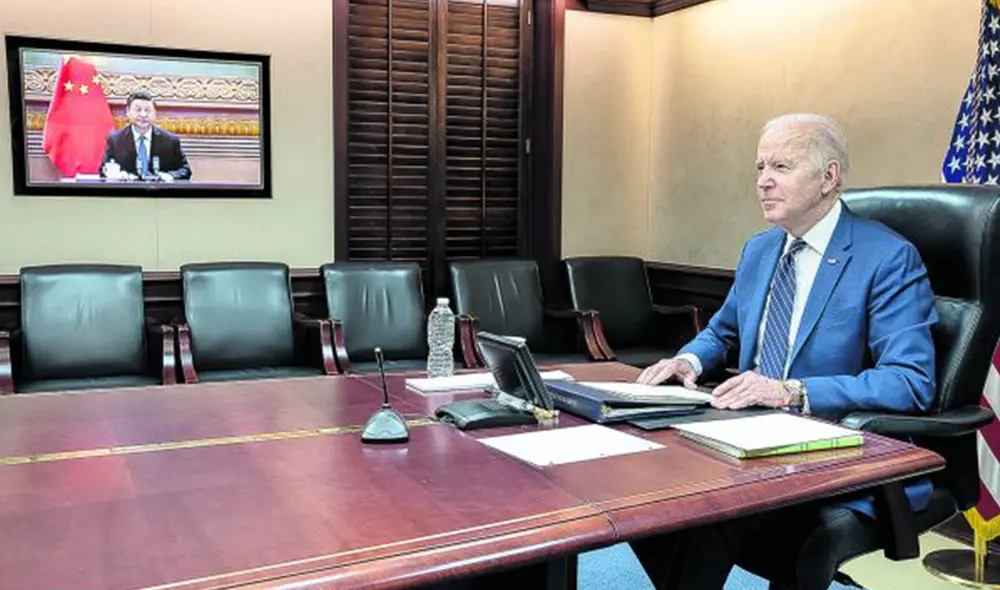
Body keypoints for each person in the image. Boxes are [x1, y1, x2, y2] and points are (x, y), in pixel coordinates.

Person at [629, 113, 937, 590]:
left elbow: (910, 381)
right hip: (744, 434)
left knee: (705, 511)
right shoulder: (760, 250)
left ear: (828, 177)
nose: (763, 182)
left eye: (781, 167)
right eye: (759, 167)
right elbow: (722, 331)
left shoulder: (887, 258)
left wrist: (789, 392)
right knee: (638, 484)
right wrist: (686, 360)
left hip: (830, 447)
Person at [100, 91, 192, 182]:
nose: (143, 115)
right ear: (128, 112)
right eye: (138, 110)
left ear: (155, 113)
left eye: (147, 110)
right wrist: (118, 175)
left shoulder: (170, 140)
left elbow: (185, 171)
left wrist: (169, 176)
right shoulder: (115, 140)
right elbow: (103, 170)